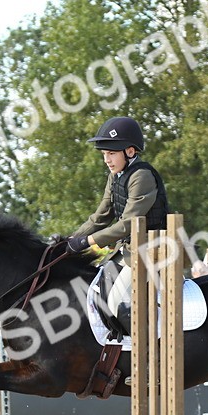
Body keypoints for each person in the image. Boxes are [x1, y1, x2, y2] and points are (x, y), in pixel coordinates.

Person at [65, 116, 169, 329]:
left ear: (130, 152)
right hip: (130, 250)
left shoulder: (142, 176)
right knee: (95, 293)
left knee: (115, 304)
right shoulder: (115, 177)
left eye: (111, 153)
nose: (107, 160)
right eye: (105, 154)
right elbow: (101, 216)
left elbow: (129, 223)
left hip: (151, 249)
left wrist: (88, 241)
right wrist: (71, 240)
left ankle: (147, 353)